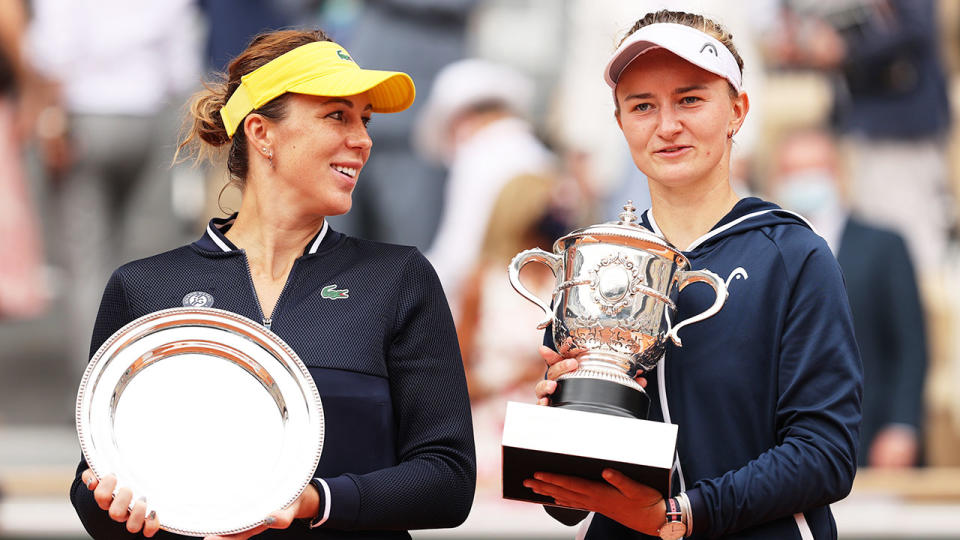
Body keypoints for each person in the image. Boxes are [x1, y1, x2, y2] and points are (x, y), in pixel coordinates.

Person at [68, 29, 476, 539]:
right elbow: (91, 489)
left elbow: (449, 479)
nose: (364, 139)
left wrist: (315, 501)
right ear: (262, 133)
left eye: (364, 120)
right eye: (337, 115)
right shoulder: (143, 287)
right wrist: (113, 506)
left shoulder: (400, 278)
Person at [524, 10, 862, 539]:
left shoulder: (795, 255)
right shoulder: (594, 261)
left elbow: (826, 455)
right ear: (620, 123)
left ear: (737, 110)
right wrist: (562, 430)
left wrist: (680, 515)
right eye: (642, 106)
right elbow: (568, 507)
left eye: (690, 99)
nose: (667, 126)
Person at [771, 127, 927, 468]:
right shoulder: (768, 250)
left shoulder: (884, 245)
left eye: (814, 170)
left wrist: (902, 426)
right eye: (794, 172)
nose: (805, 180)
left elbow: (910, 344)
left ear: (837, 173)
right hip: (788, 448)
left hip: (872, 435)